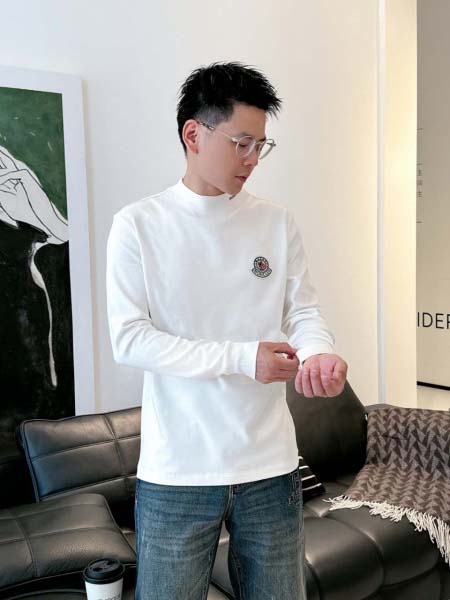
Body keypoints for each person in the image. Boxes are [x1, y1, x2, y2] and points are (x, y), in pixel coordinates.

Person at [106, 60, 348, 600]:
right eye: (241, 142)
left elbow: (303, 311)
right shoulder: (139, 225)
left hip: (272, 466)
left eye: (261, 145)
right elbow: (131, 339)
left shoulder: (276, 221)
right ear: (194, 134)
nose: (252, 159)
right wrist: (243, 358)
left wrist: (318, 352)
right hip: (178, 472)